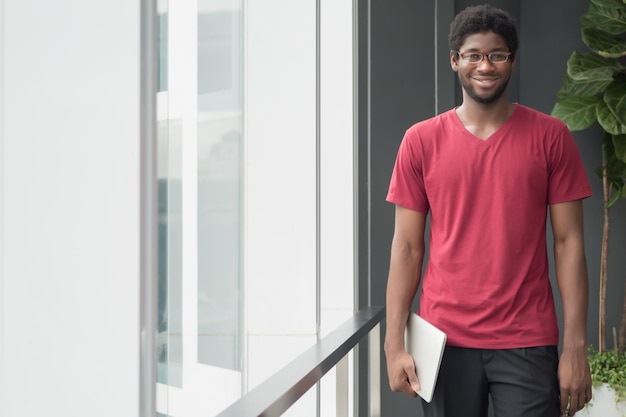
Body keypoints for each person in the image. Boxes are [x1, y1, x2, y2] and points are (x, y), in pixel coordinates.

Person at [384, 4, 593, 417]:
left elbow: (569, 243)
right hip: (443, 343)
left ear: (512, 60)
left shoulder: (552, 137)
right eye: (474, 54)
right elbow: (407, 248)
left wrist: (575, 347)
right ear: (455, 60)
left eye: (497, 54)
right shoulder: (420, 141)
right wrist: (394, 345)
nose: (485, 65)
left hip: (528, 340)